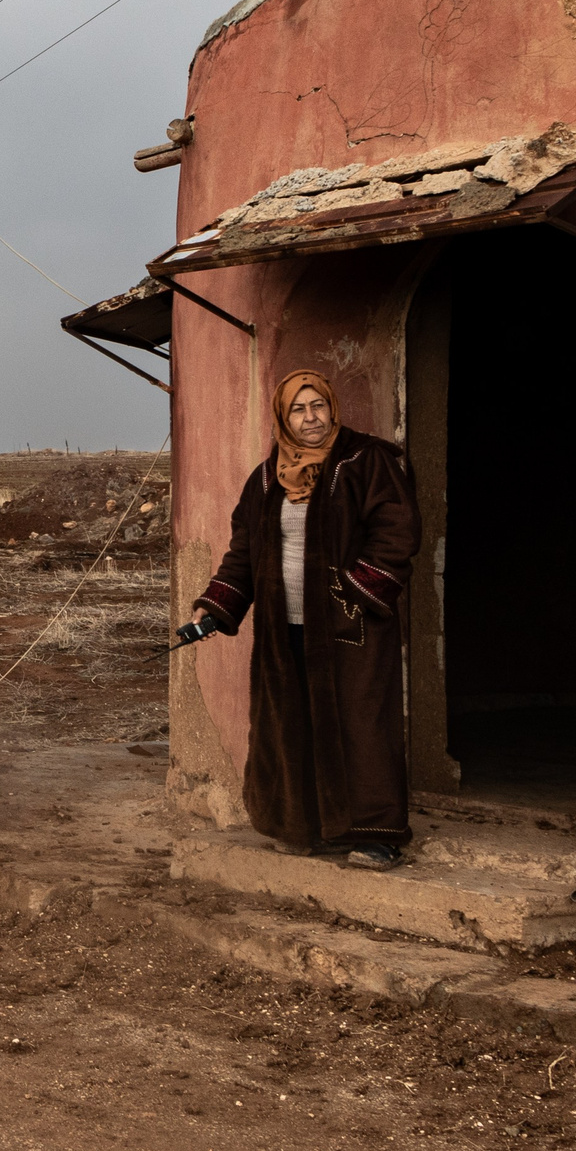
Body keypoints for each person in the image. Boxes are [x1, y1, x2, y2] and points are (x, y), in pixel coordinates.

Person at [188, 369, 418, 870]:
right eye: (299, 409)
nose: (311, 418)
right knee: (290, 722)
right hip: (283, 625)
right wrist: (215, 606)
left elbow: (396, 533)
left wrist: (351, 592)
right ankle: (302, 826)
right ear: (283, 417)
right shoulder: (267, 477)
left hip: (348, 623)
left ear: (333, 408)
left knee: (361, 721)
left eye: (318, 406)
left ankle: (375, 833)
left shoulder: (366, 461)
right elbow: (244, 551)